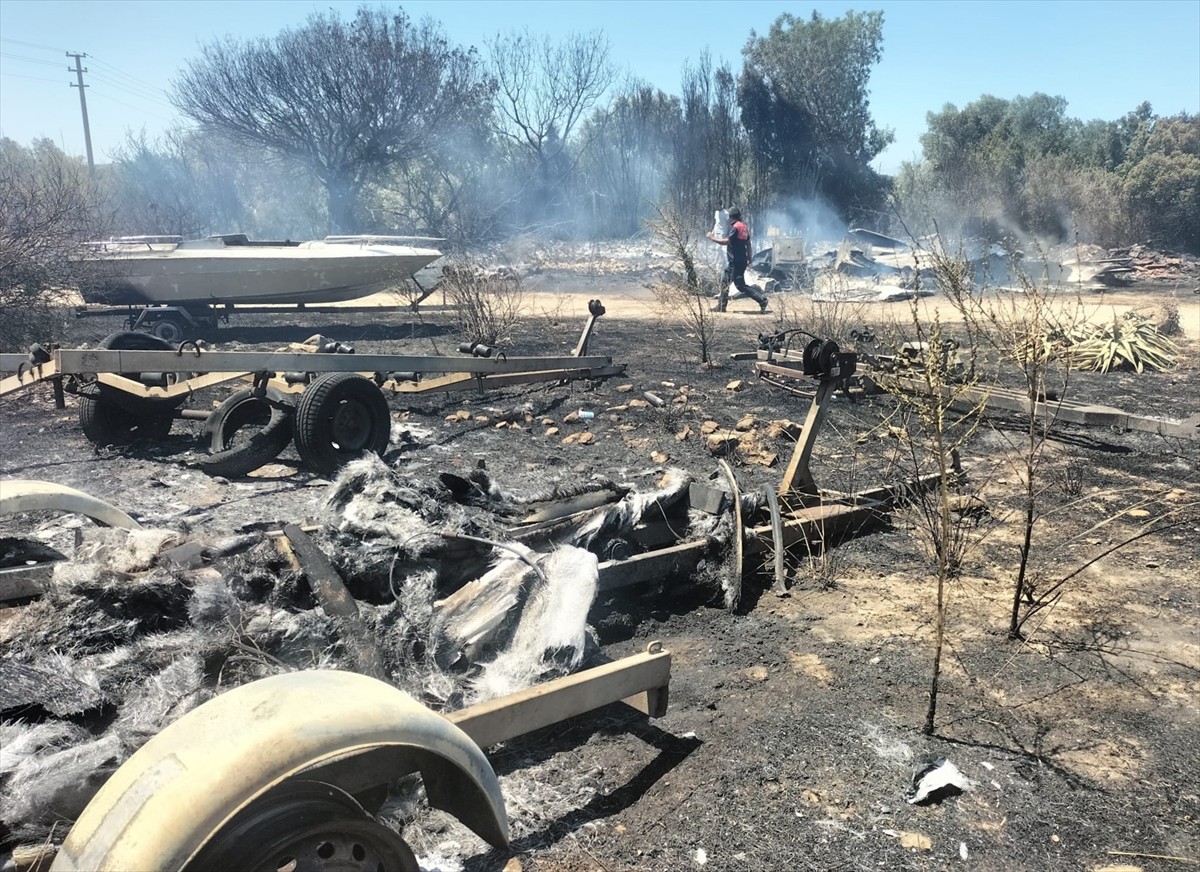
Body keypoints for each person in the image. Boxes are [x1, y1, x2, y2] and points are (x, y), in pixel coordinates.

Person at [706, 207, 769, 313]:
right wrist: (749, 258)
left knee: (740, 285)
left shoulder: (735, 227)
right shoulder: (744, 227)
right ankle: (721, 306)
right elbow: (748, 244)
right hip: (739, 261)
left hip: (736, 261)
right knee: (725, 281)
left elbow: (726, 241)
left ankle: (762, 300)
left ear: (731, 217)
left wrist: (712, 238)